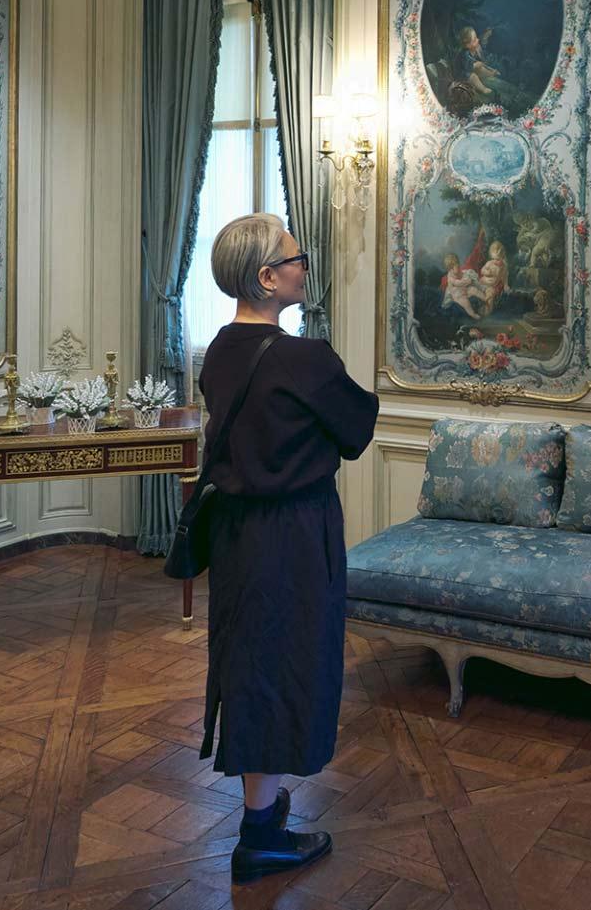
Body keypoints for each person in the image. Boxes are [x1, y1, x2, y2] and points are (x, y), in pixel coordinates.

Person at [196, 213, 379, 884]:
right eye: (293, 256)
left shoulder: (216, 350)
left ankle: (262, 816)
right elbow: (356, 429)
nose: (305, 263)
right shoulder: (308, 358)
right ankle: (260, 838)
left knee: (250, 665)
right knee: (291, 663)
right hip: (298, 534)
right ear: (267, 278)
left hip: (237, 536)